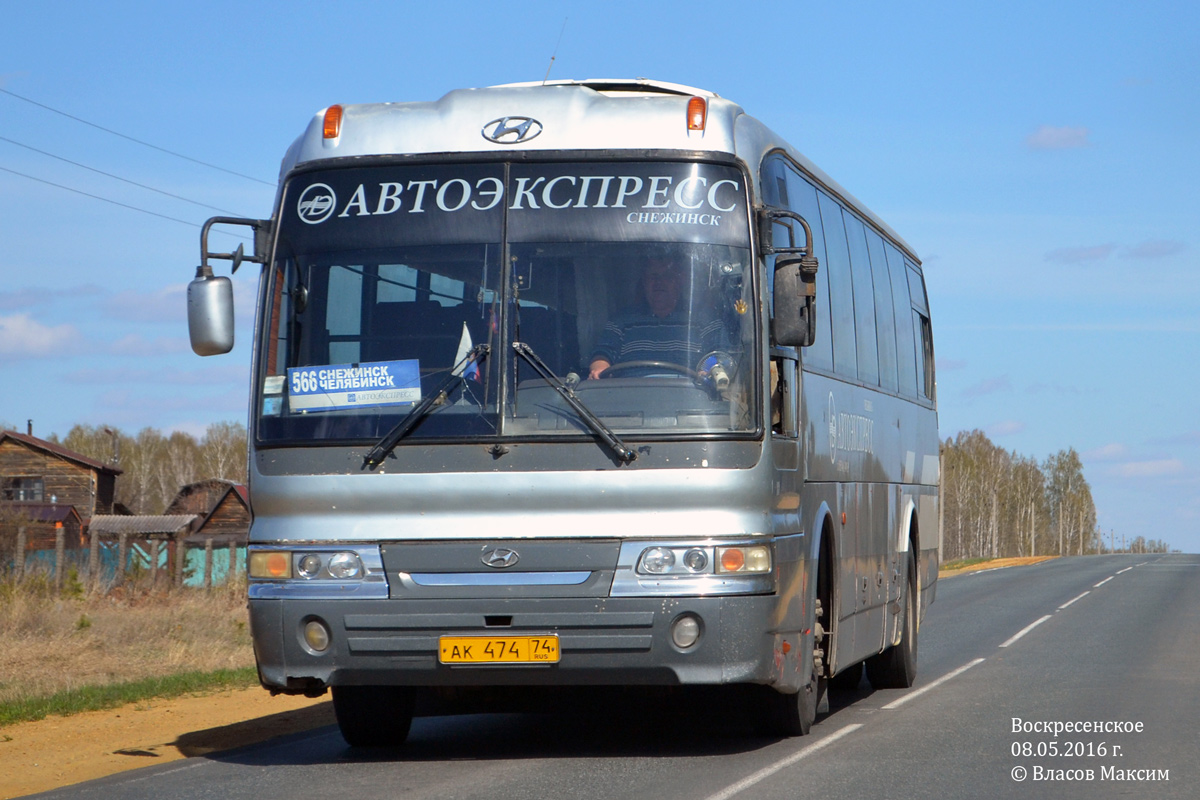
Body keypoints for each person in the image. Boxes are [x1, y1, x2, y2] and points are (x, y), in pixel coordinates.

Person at [588, 258, 729, 381]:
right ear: (644, 281)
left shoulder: (705, 321)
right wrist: (600, 368)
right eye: (653, 276)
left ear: (679, 282)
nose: (659, 282)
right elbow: (603, 353)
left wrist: (709, 370)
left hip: (690, 399)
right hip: (629, 399)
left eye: (667, 276)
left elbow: (720, 356)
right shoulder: (621, 322)